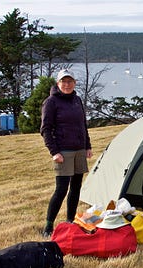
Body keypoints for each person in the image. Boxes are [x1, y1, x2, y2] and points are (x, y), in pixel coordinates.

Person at [40, 69, 93, 238]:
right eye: (64, 81)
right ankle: (48, 226)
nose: (67, 84)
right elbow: (45, 130)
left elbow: (82, 125)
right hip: (63, 151)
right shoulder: (51, 102)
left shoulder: (77, 100)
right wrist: (54, 152)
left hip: (79, 150)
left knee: (76, 188)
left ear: (74, 83)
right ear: (58, 84)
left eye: (70, 81)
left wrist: (87, 146)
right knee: (61, 189)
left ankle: (70, 221)